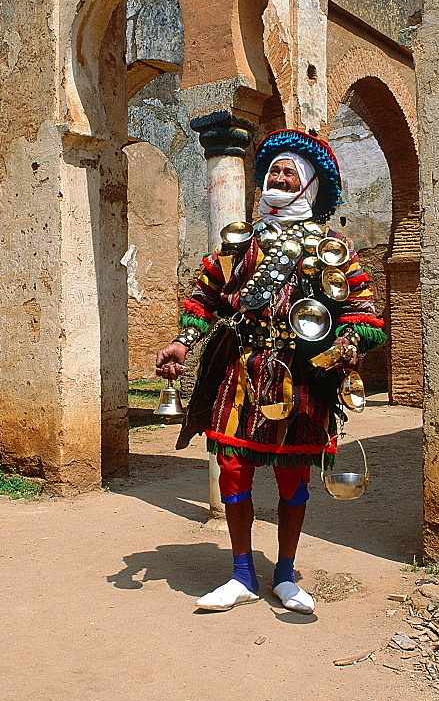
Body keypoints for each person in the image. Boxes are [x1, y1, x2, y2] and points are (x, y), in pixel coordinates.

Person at [155, 129, 386, 612]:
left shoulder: (334, 249)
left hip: (301, 378)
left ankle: (284, 574)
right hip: (243, 372)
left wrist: (347, 343)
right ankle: (242, 574)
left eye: (289, 172)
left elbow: (367, 316)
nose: (278, 178)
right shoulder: (240, 244)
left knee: (292, 479)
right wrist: (183, 340)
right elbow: (202, 298)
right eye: (273, 171)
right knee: (234, 470)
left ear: (309, 184)